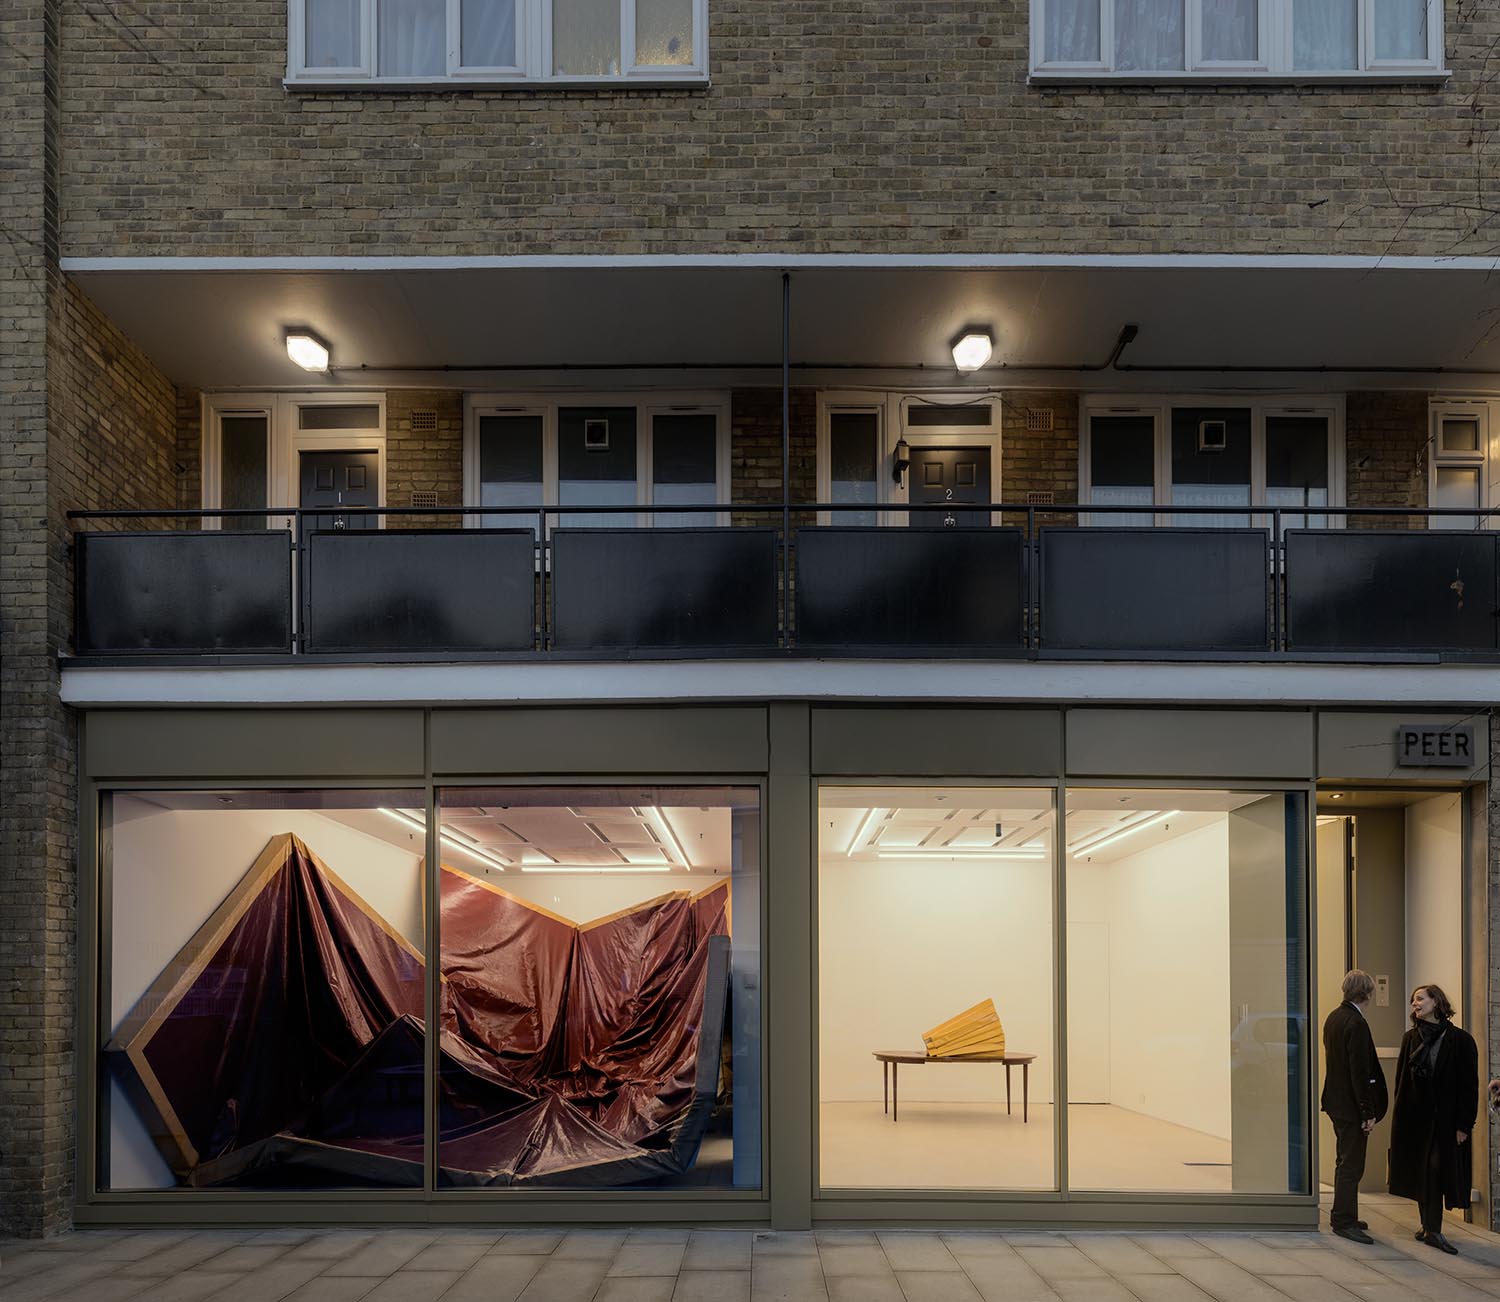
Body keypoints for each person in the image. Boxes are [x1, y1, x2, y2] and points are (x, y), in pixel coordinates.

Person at [1388, 984, 1478, 1255]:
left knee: (1437, 1170)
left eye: (1420, 999)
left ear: (1436, 1001)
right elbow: (1401, 1082)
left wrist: (1465, 1124)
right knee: (1421, 1171)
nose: (1415, 1004)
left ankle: (1434, 1230)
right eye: (1413, 1000)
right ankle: (1428, 1226)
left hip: (1447, 1122)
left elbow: (1469, 1086)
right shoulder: (1410, 1038)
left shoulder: (1460, 1041)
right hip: (1416, 1121)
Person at [1321, 969, 1387, 1243]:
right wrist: (1367, 1112)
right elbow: (1359, 1073)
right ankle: (1344, 1221)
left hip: (1337, 1103)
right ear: (1367, 993)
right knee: (1352, 1165)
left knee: (1343, 1161)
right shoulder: (1356, 1024)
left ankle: (1344, 1212)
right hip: (1350, 1107)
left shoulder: (1334, 1018)